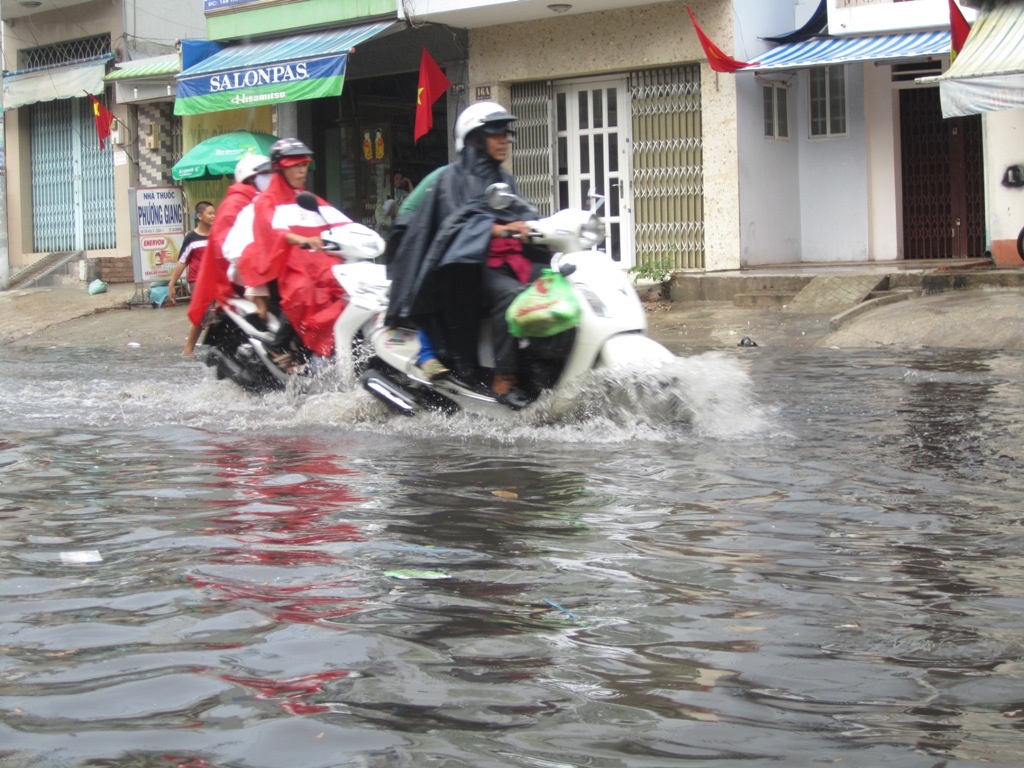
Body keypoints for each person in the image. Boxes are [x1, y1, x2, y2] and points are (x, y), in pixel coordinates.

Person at [386, 102, 543, 402]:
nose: (504, 141)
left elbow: (521, 213)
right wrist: (499, 229)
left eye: (506, 135)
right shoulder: (450, 178)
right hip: (465, 268)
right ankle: (503, 377)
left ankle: (541, 367)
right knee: (510, 295)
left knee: (552, 285)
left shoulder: (504, 179)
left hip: (504, 261)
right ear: (476, 139)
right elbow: (453, 225)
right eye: (496, 134)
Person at [235, 138, 354, 362]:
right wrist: (302, 239)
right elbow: (273, 231)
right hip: (281, 261)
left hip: (313, 257)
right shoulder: (266, 200)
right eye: (295, 166)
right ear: (280, 169)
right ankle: (279, 345)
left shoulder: (304, 197)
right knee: (303, 289)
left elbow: (337, 220)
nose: (302, 171)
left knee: (344, 282)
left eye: (304, 165)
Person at [184, 154, 273, 354]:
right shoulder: (235, 204)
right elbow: (228, 245)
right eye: (265, 174)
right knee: (205, 315)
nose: (269, 178)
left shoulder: (266, 199)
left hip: (259, 268)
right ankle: (188, 350)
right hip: (231, 274)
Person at [166, 201, 214, 355]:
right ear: (199, 216)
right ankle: (188, 350)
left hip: (215, 282)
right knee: (201, 315)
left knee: (213, 315)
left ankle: (195, 349)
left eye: (214, 213)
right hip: (198, 283)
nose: (213, 216)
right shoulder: (191, 238)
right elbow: (182, 262)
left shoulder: (217, 235)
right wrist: (172, 284)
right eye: (210, 213)